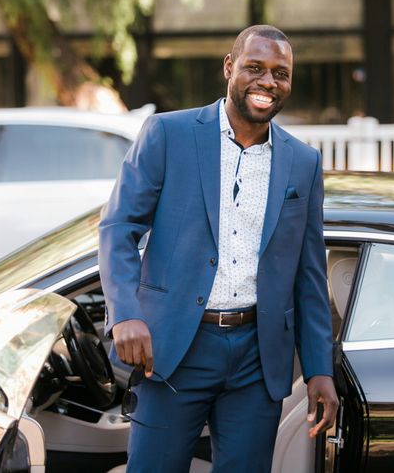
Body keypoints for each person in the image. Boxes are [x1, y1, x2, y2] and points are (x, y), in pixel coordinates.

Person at [98, 24, 338, 472]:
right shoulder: (167, 134)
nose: (268, 82)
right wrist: (126, 314)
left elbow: (308, 273)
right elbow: (118, 227)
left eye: (280, 73)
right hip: (174, 350)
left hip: (257, 355)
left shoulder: (303, 163)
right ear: (229, 67)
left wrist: (318, 368)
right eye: (255, 68)